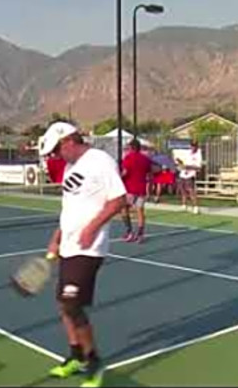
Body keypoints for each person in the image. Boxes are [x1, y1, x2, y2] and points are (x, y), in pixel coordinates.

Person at [39, 121, 126, 388]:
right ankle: (76, 355)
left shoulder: (100, 161)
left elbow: (119, 200)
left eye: (56, 150)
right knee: (63, 304)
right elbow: (70, 209)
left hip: (89, 248)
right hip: (68, 246)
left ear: (68, 141)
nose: (55, 156)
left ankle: (94, 361)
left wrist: (91, 229)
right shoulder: (69, 168)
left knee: (71, 304)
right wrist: (57, 238)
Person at [121, 139, 153, 243]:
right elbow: (150, 173)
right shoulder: (145, 159)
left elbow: (125, 172)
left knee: (124, 208)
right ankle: (140, 234)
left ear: (131, 147)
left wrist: (118, 178)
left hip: (130, 188)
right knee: (140, 211)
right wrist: (150, 188)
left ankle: (129, 231)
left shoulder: (128, 158)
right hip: (141, 188)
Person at [176, 139, 203, 214]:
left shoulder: (198, 154)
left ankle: (195, 207)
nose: (193, 147)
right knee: (182, 189)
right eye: (192, 145)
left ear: (197, 146)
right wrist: (180, 162)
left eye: (194, 146)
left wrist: (188, 167)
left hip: (190, 174)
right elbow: (183, 162)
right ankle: (184, 205)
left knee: (191, 190)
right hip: (183, 173)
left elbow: (198, 167)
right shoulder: (188, 152)